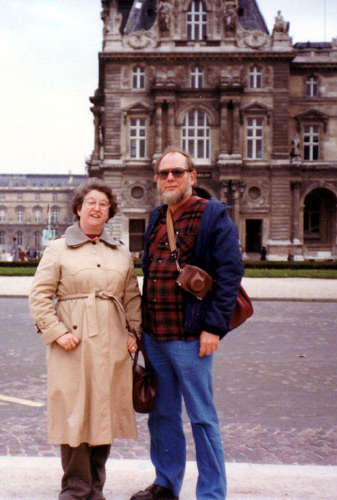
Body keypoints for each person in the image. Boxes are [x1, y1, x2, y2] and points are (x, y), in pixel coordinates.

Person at [131, 147, 243, 500]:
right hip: (155, 336)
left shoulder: (212, 215)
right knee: (161, 415)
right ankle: (166, 484)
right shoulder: (155, 217)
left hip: (191, 337)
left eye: (177, 172)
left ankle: (211, 493)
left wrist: (214, 328)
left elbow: (229, 275)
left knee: (202, 418)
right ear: (156, 179)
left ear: (192, 177)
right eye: (164, 173)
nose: (169, 179)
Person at [29, 178, 142, 500]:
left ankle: (96, 486)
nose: (96, 208)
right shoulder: (57, 249)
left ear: (109, 213)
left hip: (113, 342)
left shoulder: (121, 253)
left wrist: (134, 333)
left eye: (103, 205)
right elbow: (39, 296)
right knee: (74, 411)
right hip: (72, 344)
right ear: (78, 209)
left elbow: (132, 297)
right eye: (90, 203)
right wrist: (57, 332)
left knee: (104, 410)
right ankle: (76, 487)